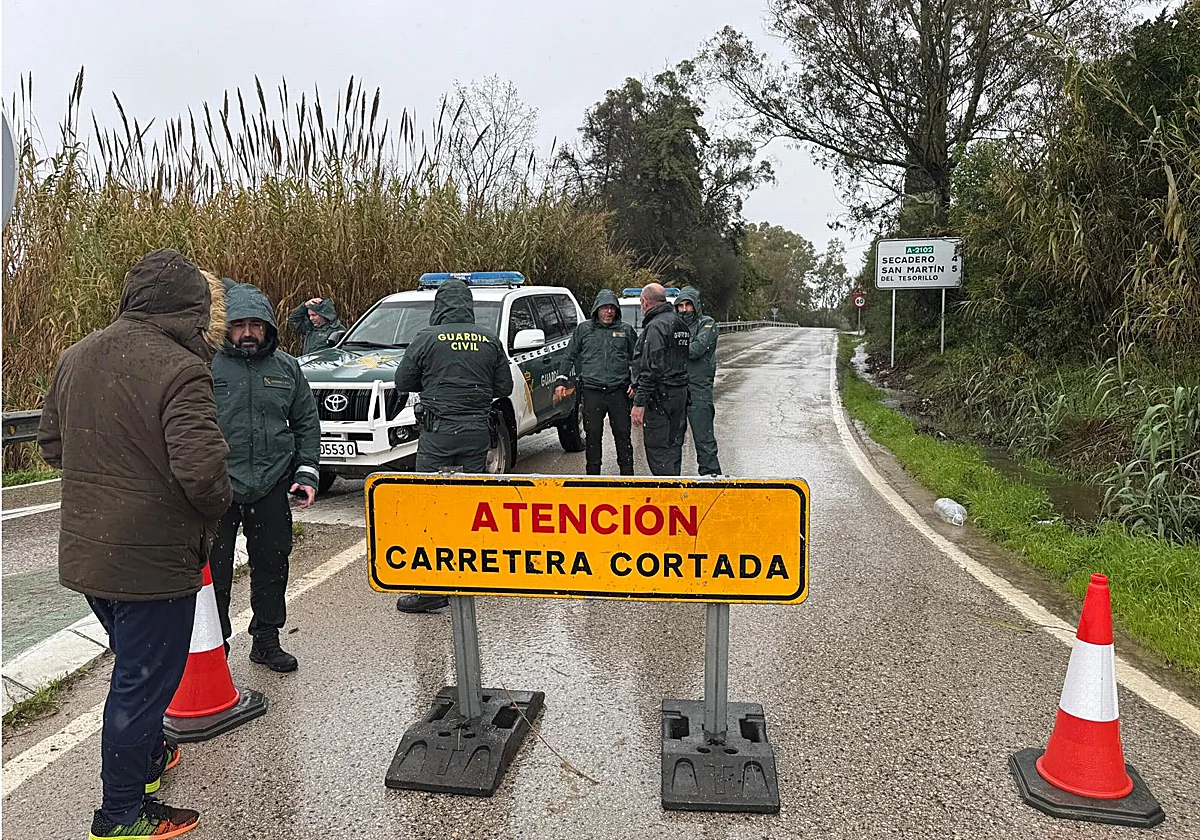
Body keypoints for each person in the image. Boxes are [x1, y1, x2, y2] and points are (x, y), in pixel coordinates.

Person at [38, 248, 231, 840]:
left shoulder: (76, 355)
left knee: (137, 669)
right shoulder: (181, 368)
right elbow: (202, 474)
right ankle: (120, 814)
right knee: (142, 686)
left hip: (89, 556)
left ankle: (147, 764)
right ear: (190, 308)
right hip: (153, 561)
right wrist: (221, 503)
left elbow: (51, 444)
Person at [209, 280, 320, 672]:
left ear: (269, 327)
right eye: (239, 324)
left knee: (272, 565)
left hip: (272, 483)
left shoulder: (287, 367)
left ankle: (267, 641)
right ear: (226, 327)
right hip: (217, 488)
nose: (248, 333)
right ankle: (215, 649)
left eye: (257, 325)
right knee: (214, 574)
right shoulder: (207, 365)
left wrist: (307, 473)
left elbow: (307, 422)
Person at [392, 277, 513, 613]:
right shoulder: (488, 339)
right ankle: (470, 574)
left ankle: (432, 590)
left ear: (439, 305)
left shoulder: (426, 338)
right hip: (477, 432)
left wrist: (435, 381)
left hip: (438, 433)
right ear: (468, 305)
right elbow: (503, 386)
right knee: (471, 505)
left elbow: (403, 381)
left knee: (430, 507)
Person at [554, 289, 638, 475]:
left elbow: (638, 360)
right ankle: (593, 478)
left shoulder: (625, 331)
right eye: (604, 308)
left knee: (623, 436)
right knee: (593, 436)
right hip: (592, 392)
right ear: (596, 310)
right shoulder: (584, 330)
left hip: (619, 392)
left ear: (616, 310)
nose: (608, 312)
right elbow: (569, 356)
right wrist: (561, 380)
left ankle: (628, 478)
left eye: (612, 308)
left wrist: (636, 382)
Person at [631, 282, 690, 476]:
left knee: (657, 449)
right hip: (679, 394)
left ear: (645, 302)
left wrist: (639, 403)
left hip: (660, 396)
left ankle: (667, 496)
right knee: (673, 447)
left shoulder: (655, 327)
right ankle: (676, 490)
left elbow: (651, 368)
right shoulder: (679, 323)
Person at [677, 286, 722, 476]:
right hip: (677, 388)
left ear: (695, 305)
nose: (685, 309)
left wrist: (673, 346)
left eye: (688, 305)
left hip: (699, 389)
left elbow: (696, 349)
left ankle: (711, 479)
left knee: (704, 440)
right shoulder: (673, 324)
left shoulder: (708, 324)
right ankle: (672, 482)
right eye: (681, 305)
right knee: (672, 441)